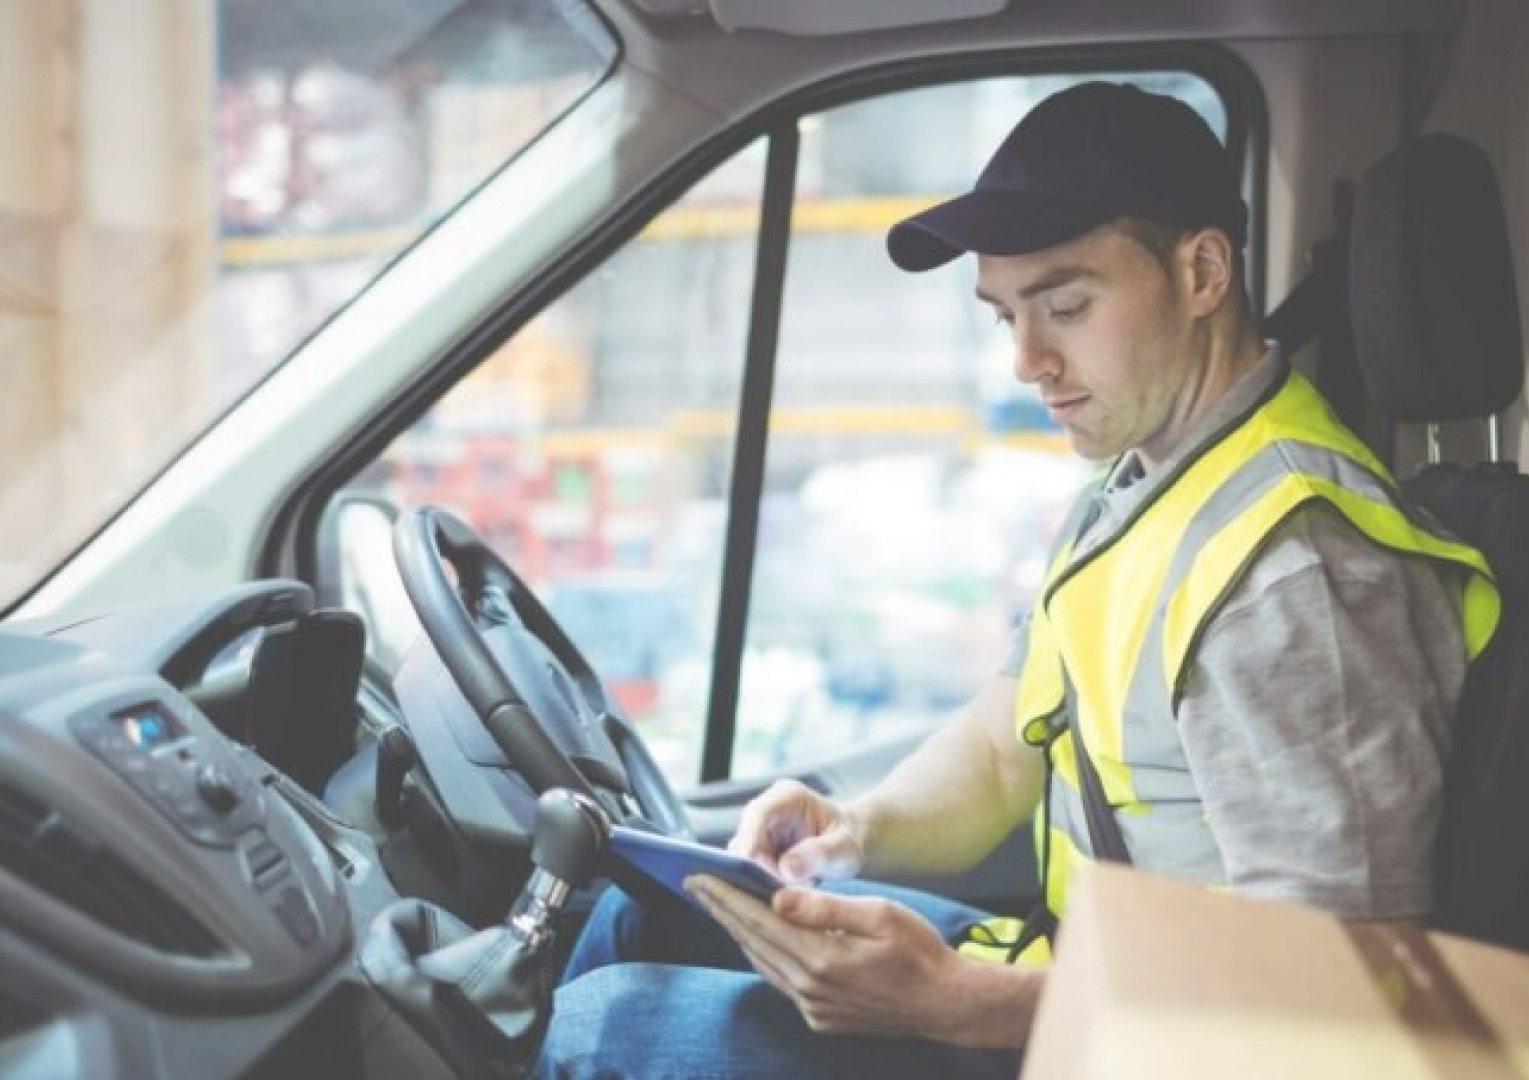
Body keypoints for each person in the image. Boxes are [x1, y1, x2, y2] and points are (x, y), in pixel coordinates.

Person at [528, 80, 1499, 1080]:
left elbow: (1349, 987)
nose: (1028, 362)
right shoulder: (1145, 485)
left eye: (1065, 306)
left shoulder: (1294, 573)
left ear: (1201, 270)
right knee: (639, 919)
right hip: (1088, 978)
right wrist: (851, 831)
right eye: (1003, 319)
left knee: (608, 1028)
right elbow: (1001, 752)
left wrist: (965, 1008)